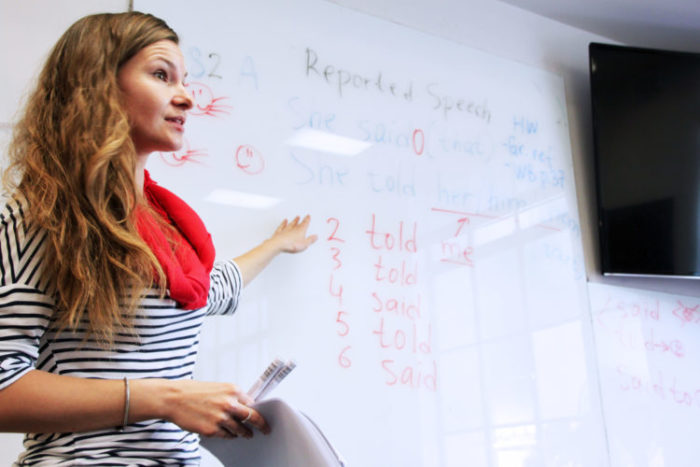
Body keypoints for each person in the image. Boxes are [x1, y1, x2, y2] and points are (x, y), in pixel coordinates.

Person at [0, 11, 317, 465]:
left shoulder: (163, 224)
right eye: (161, 75)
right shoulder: (40, 218)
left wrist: (277, 244)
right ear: (100, 86)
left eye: (183, 80)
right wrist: (165, 399)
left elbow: (212, 287)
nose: (186, 97)